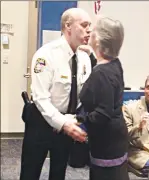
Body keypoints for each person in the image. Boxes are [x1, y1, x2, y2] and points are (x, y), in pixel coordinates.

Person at [20, 8, 94, 180]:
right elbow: (41, 99)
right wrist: (63, 124)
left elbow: (84, 96)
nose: (89, 30)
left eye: (90, 25)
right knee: (30, 172)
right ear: (68, 26)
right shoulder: (46, 55)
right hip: (41, 122)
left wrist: (77, 121)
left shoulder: (84, 59)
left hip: (66, 122)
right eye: (84, 25)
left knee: (58, 172)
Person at [76, 17, 130, 180]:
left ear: (98, 40)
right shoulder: (114, 63)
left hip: (106, 143)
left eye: (93, 30)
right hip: (116, 137)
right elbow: (104, 81)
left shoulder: (101, 73)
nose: (89, 32)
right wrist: (92, 56)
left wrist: (78, 119)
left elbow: (102, 114)